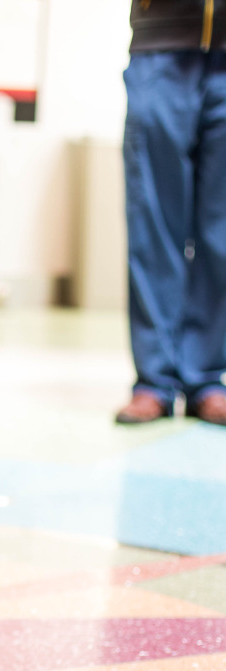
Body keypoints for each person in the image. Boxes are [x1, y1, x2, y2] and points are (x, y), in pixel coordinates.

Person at [115, 0, 226, 426]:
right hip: (161, 41)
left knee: (221, 232)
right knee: (153, 223)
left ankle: (207, 376)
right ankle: (154, 379)